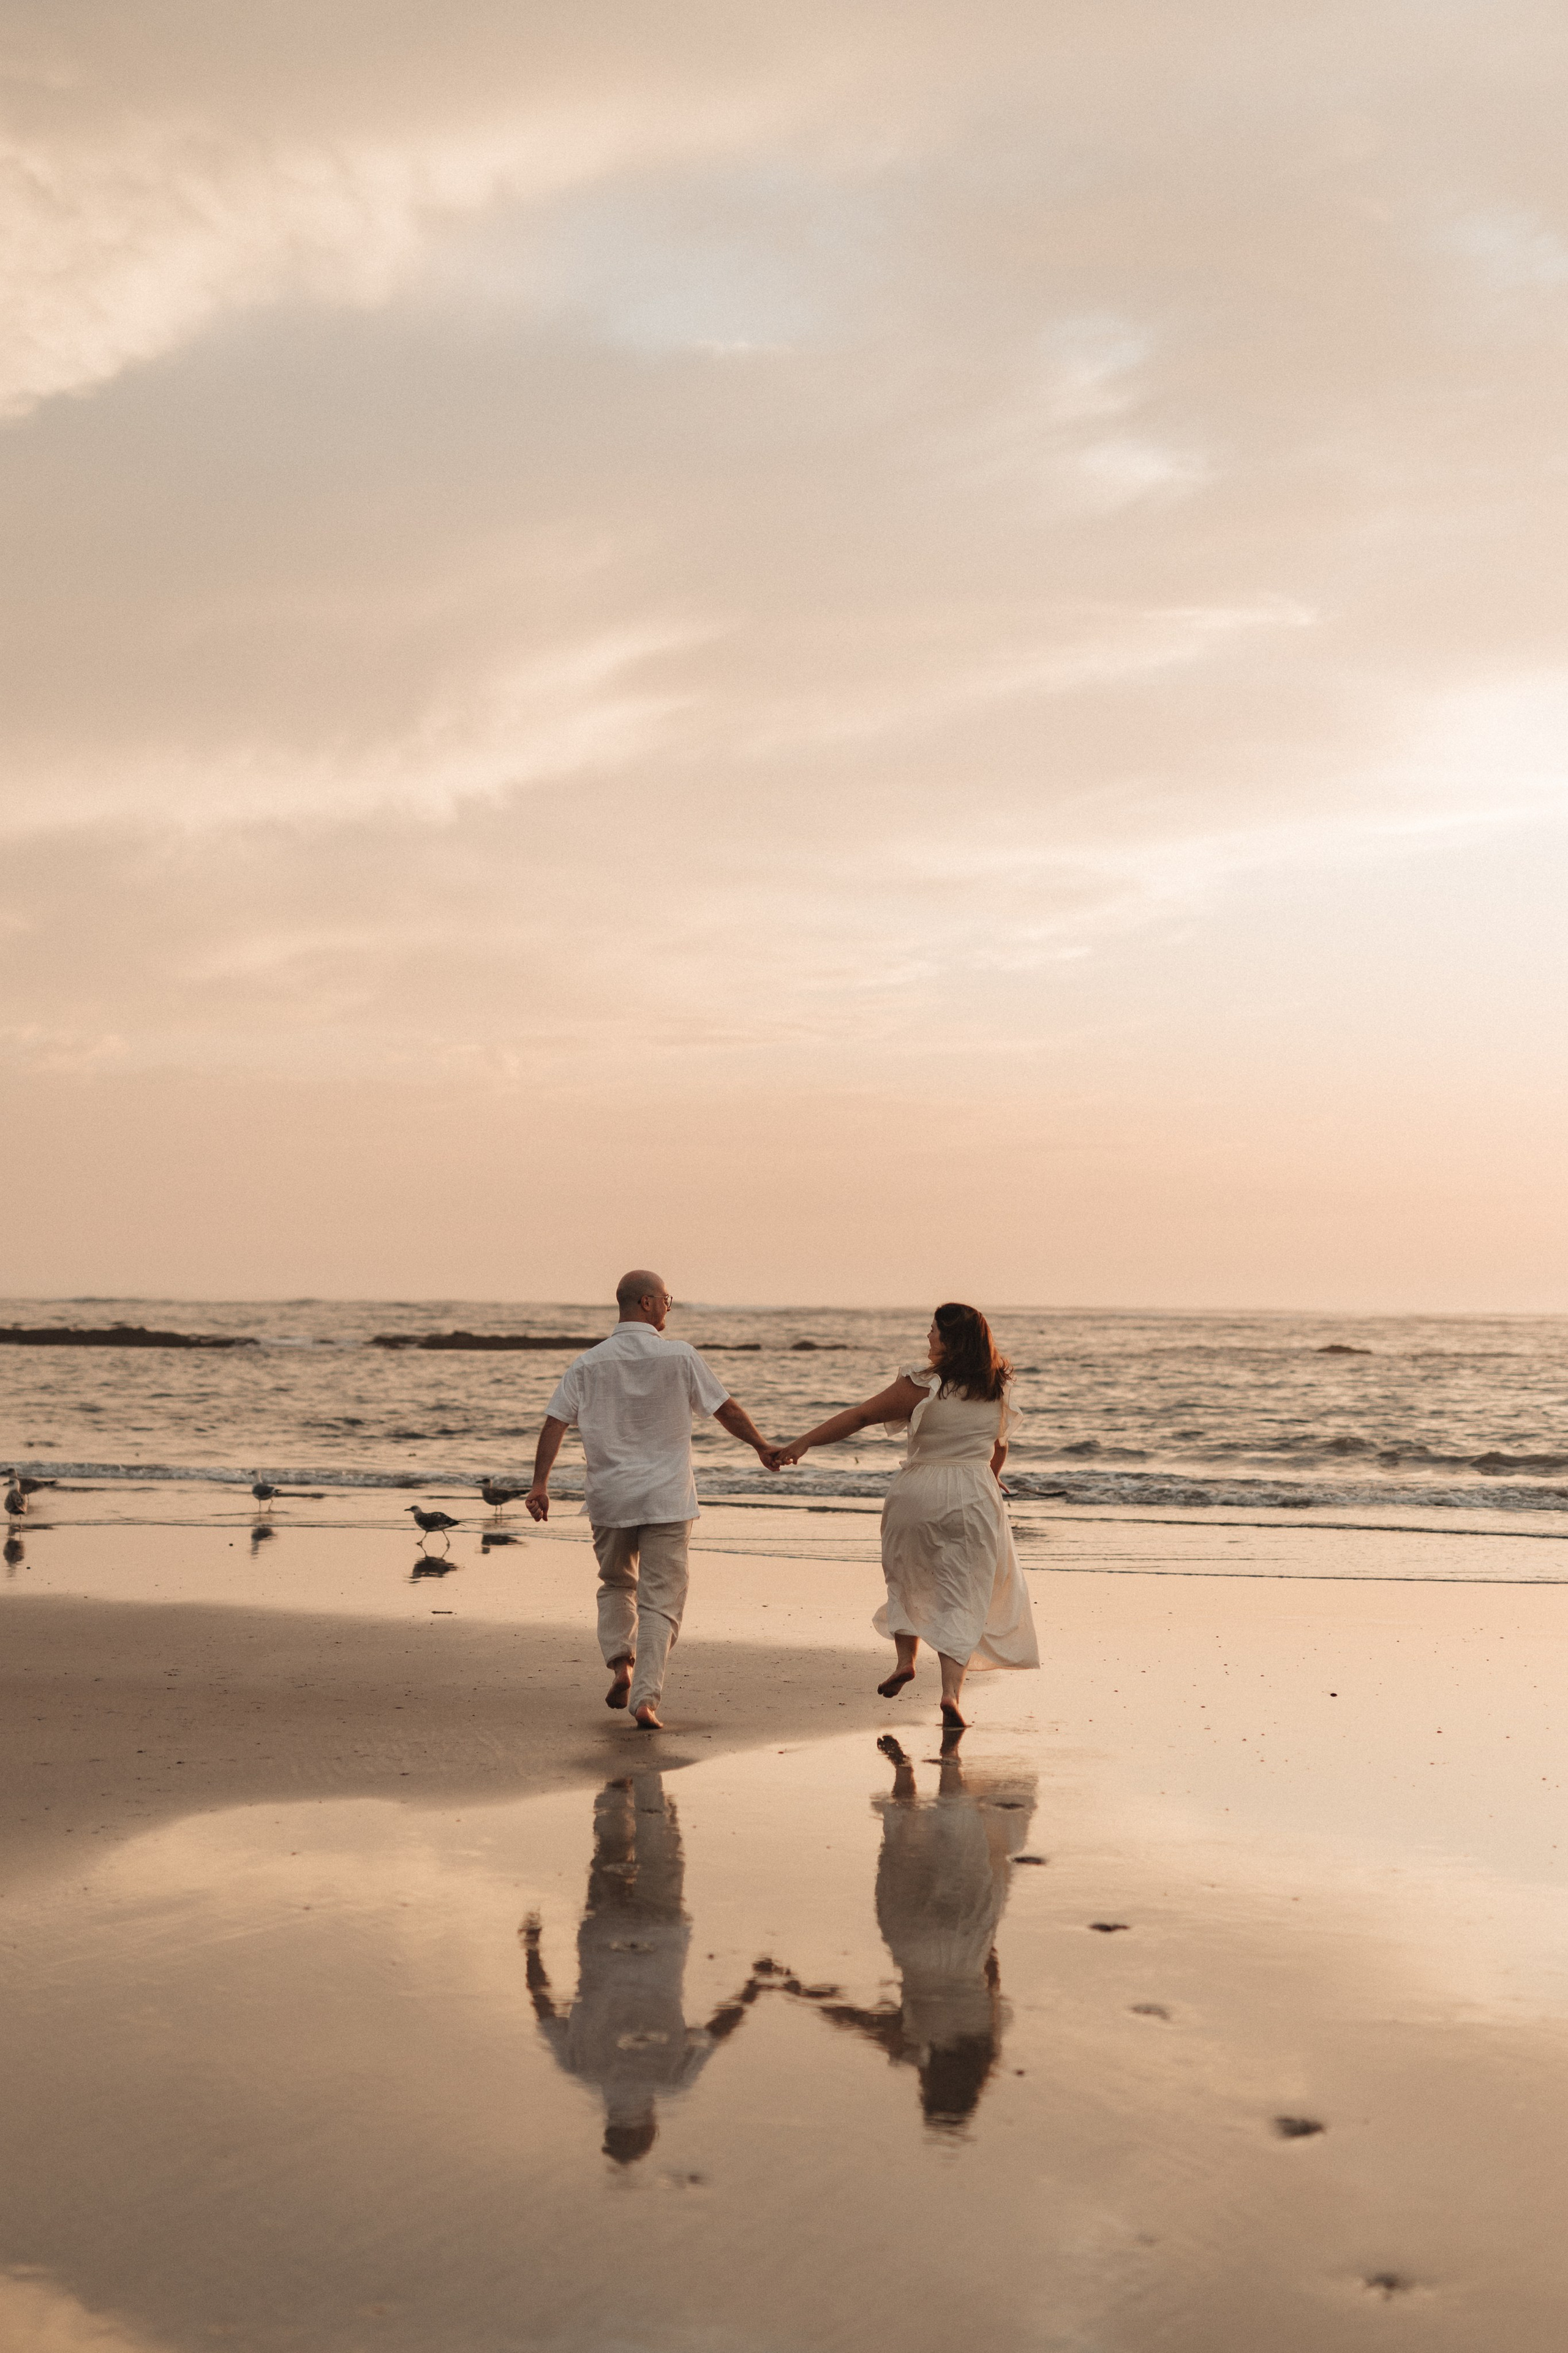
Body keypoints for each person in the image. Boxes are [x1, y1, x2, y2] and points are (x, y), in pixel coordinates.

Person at [526, 1269, 777, 1728]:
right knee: (660, 1600)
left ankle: (621, 1664)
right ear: (646, 1302)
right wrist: (761, 1445)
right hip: (666, 1498)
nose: (669, 1305)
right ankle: (646, 1698)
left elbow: (554, 1423)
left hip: (611, 1497)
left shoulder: (587, 1363)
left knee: (617, 1583)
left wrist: (539, 1484)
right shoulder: (680, 1356)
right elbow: (726, 1409)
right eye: (666, 1298)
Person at [773, 1301, 1039, 1726]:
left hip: (919, 1490)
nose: (927, 1337)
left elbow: (860, 1416)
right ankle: (951, 1694)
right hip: (975, 1494)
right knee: (964, 1593)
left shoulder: (922, 1383)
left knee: (907, 1574)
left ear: (950, 1339)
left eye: (933, 1330)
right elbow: (1000, 1445)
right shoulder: (997, 1388)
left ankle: (904, 1660)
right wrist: (990, 1476)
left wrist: (802, 1442)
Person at [522, 1772, 767, 2164]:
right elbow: (542, 2003)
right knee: (609, 1853)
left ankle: (649, 1783)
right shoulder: (579, 2068)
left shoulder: (673, 2080)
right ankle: (618, 1788)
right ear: (610, 2122)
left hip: (662, 1938)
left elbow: (717, 2030)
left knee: (661, 1856)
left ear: (650, 2124)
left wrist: (756, 1987)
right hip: (604, 1936)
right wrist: (531, 1946)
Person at [811, 1735, 1038, 2131]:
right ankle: (904, 1774)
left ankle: (949, 1764)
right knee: (902, 1848)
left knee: (962, 1848)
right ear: (931, 2088)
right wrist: (800, 1994)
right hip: (912, 1943)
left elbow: (992, 1977)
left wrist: (988, 1927)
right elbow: (860, 2021)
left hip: (969, 1944)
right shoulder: (920, 2051)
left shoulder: (991, 2038)